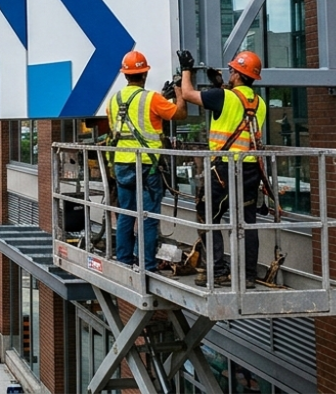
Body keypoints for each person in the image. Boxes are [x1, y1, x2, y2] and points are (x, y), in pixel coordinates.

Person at [177, 49, 267, 288]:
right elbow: (234, 107)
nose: (229, 74)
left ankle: (216, 270)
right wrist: (220, 86)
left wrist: (186, 69)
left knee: (208, 215)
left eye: (232, 71)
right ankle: (247, 275)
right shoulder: (260, 103)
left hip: (224, 169)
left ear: (237, 75)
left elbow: (187, 94)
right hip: (250, 170)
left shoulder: (223, 97)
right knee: (246, 222)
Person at [105, 51, 184, 271]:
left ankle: (124, 261)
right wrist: (178, 92)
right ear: (145, 74)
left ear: (125, 75)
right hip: (148, 166)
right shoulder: (152, 99)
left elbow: (124, 122)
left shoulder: (113, 101)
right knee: (148, 217)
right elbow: (179, 114)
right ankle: (147, 264)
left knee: (126, 214)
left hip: (122, 165)